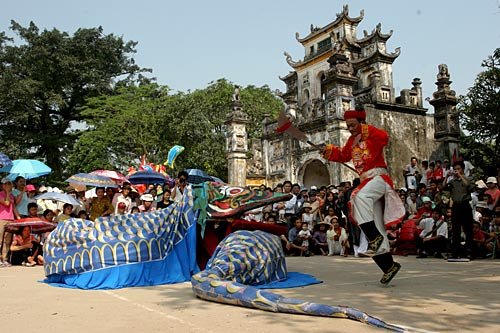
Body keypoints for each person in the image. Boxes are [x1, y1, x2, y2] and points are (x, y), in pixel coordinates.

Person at [322, 109, 404, 284]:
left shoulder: (371, 134)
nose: (350, 128)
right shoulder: (352, 141)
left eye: (353, 125)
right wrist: (328, 151)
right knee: (370, 220)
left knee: (358, 197)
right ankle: (388, 266)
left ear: (361, 123)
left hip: (379, 178)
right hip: (366, 181)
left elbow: (384, 138)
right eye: (348, 125)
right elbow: (343, 155)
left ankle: (374, 237)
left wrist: (367, 130)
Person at [444, 160, 475, 259]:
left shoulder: (468, 178)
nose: (456, 171)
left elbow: (469, 186)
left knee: (468, 229)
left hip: (465, 205)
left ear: (462, 169)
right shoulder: (452, 181)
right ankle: (456, 252)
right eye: (455, 169)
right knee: (455, 229)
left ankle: (469, 251)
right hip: (456, 206)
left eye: (458, 169)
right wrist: (446, 176)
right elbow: (443, 187)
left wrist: (461, 176)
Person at [0, 178, 21, 267]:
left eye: (9, 184)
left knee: (7, 241)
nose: (8, 186)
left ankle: (5, 259)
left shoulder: (12, 196)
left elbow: (13, 207)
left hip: (10, 219)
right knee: (0, 240)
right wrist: (8, 193)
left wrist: (18, 218)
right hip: (1, 219)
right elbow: (7, 203)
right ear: (2, 185)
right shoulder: (0, 194)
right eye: (6, 184)